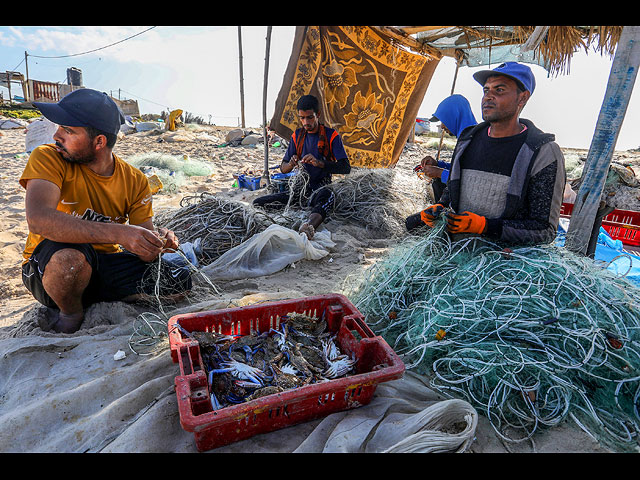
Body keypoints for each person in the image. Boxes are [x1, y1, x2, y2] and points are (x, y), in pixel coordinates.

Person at [20, 88, 191, 333]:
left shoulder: (135, 181)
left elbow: (144, 250)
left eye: (68, 130)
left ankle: (94, 295)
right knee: (69, 263)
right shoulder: (47, 157)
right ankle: (71, 312)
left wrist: (157, 242)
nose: (57, 135)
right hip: (50, 265)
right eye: (60, 127)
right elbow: (39, 220)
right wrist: (119, 233)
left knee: (179, 281)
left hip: (103, 265)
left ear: (99, 142)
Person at [417, 62, 566, 245]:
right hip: (455, 256)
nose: (488, 96)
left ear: (522, 98)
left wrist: (485, 226)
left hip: (502, 267)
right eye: (486, 90)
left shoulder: (542, 153)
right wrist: (440, 207)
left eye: (500, 90)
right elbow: (452, 192)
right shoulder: (467, 140)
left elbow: (545, 231)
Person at [253, 95, 351, 239]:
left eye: (310, 117)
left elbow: (345, 167)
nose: (306, 122)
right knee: (258, 203)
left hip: (321, 187)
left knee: (327, 198)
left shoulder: (331, 136)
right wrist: (292, 163)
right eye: (302, 118)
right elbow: (283, 168)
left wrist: (319, 163)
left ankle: (309, 227)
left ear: (318, 115)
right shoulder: (297, 136)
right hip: (299, 189)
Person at [406, 95, 477, 230]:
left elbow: (470, 179)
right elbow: (460, 168)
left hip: (465, 207)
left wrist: (440, 173)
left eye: (444, 121)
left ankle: (441, 223)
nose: (442, 126)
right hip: (455, 199)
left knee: (411, 224)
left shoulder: (475, 141)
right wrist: (438, 164)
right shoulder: (465, 138)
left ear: (454, 116)